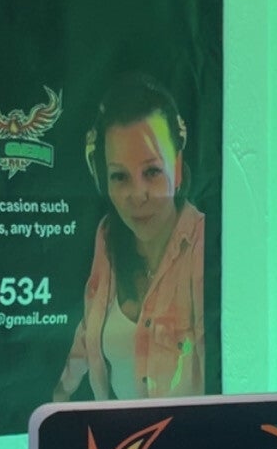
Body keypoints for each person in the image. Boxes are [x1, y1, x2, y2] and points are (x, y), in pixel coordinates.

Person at [54, 73, 204, 401]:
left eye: (152, 172)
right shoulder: (107, 238)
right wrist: (57, 396)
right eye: (120, 177)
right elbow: (88, 331)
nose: (137, 195)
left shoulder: (205, 248)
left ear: (178, 168)